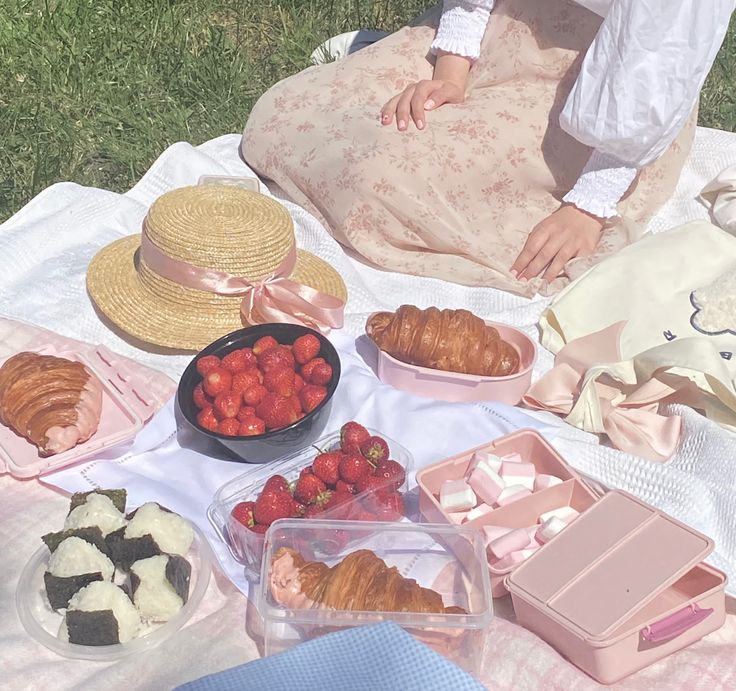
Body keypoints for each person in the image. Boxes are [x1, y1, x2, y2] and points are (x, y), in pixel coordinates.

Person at [242, 0, 735, 297]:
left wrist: (589, 203)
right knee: (285, 115)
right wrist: (452, 68)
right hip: (504, 23)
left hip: (613, 76)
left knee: (381, 176)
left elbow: (660, 52)